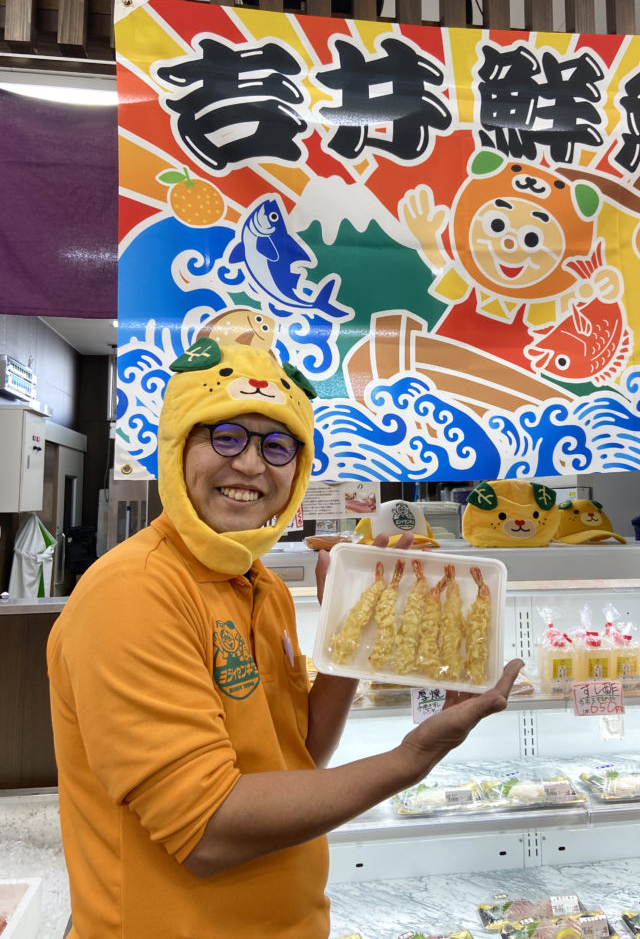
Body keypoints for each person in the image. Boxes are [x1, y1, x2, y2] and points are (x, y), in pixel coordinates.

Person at [47, 338, 523, 939]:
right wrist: (414, 757)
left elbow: (299, 753)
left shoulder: (259, 584)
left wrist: (351, 628)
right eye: (224, 436)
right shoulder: (134, 593)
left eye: (277, 445)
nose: (250, 465)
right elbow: (208, 831)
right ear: (177, 447)